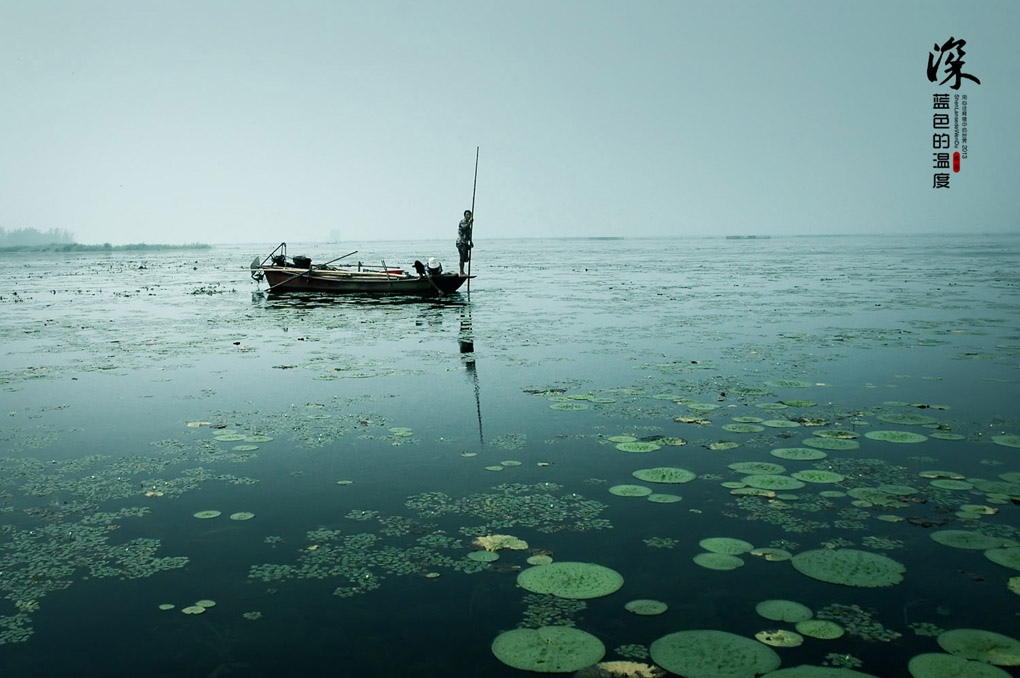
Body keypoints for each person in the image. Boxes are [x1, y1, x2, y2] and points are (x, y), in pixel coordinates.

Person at [457, 209, 474, 276]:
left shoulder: (468, 223)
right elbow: (464, 228)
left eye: (469, 215)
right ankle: (461, 272)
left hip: (466, 242)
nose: (468, 216)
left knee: (465, 258)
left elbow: (468, 234)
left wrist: (471, 242)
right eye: (467, 215)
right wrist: (470, 222)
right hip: (461, 242)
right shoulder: (463, 221)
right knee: (462, 257)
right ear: (464, 215)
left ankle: (463, 272)